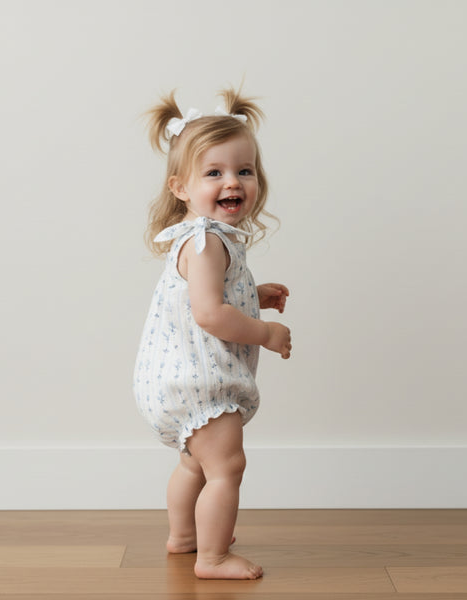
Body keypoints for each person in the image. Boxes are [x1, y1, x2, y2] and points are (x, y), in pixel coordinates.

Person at [133, 87, 291, 580]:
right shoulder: (206, 243)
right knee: (226, 468)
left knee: (195, 466)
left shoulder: (201, 237)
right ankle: (213, 557)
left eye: (244, 171)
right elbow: (209, 314)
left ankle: (185, 537)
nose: (233, 182)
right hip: (199, 382)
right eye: (214, 173)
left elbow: (207, 299)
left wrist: (254, 294)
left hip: (173, 380)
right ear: (180, 187)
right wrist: (264, 331)